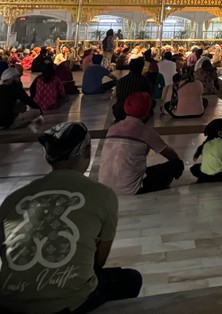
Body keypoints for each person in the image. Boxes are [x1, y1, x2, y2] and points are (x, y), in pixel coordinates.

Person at [0, 122, 143, 313]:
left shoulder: (13, 199)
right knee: (131, 279)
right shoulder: (103, 195)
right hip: (68, 305)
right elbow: (98, 261)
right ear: (86, 152)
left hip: (9, 303)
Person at [99, 92, 185, 195]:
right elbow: (169, 154)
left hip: (104, 186)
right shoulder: (145, 131)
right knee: (176, 165)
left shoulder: (113, 128)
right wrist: (177, 164)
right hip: (130, 189)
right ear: (147, 112)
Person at [190, 118, 222, 183]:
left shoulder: (206, 144)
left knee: (195, 168)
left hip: (205, 175)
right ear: (220, 133)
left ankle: (206, 178)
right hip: (220, 175)